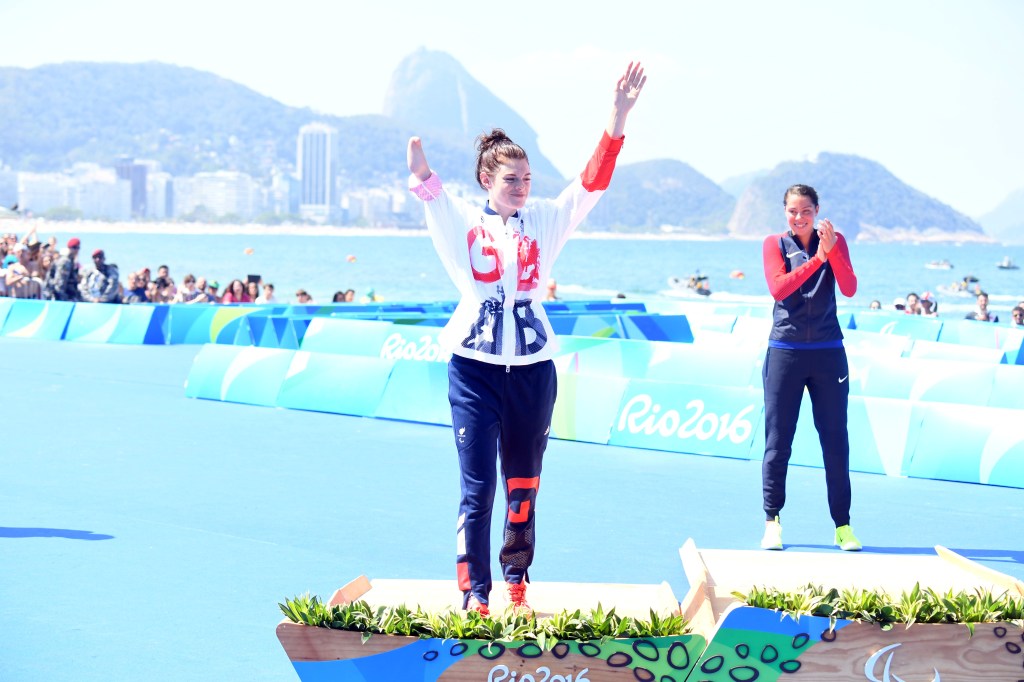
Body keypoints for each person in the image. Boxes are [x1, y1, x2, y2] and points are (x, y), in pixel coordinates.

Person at [406, 61, 646, 615]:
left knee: (523, 486)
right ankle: (475, 595)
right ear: (487, 181)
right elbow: (433, 200)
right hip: (472, 370)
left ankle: (517, 580)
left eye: (527, 178)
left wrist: (617, 117)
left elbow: (591, 183)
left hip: (534, 372)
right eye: (510, 178)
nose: (521, 186)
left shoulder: (546, 220)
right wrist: (420, 171)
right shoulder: (465, 223)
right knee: (478, 489)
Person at [760, 184, 861, 553]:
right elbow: (779, 289)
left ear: (817, 210)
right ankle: (772, 521)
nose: (799, 217)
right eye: (792, 211)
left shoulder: (835, 241)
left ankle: (843, 527)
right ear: (784, 212)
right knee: (778, 441)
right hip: (785, 351)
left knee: (835, 441)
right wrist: (818, 259)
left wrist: (831, 252)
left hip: (828, 352)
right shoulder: (773, 244)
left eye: (805, 211)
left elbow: (849, 288)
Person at [43, 237, 83, 302]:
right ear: (69, 248)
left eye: (78, 248)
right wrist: (64, 300)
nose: (76, 250)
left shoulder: (71, 261)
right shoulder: (65, 262)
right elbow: (59, 284)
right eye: (74, 248)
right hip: (59, 297)